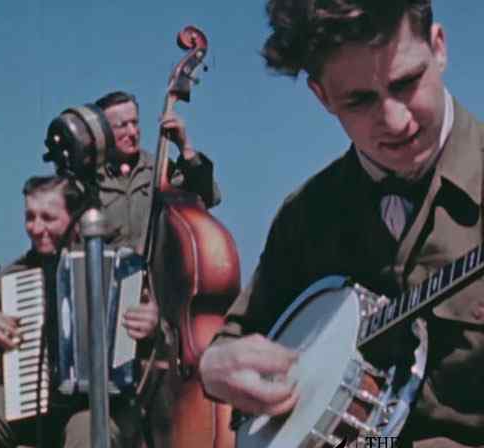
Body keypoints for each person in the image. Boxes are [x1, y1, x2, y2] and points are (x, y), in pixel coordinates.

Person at [199, 1, 484, 447]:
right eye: (360, 100)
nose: (395, 121)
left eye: (406, 83)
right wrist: (214, 368)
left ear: (439, 48)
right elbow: (238, 338)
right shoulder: (305, 217)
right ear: (322, 96)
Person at [0, 175, 160, 448]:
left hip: (96, 404)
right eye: (30, 217)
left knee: (87, 434)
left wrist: (153, 326)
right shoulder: (13, 276)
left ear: (75, 219)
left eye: (48, 217)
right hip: (25, 396)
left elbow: (163, 346)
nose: (36, 227)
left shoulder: (120, 271)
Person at [94, 91, 222, 252]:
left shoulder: (160, 169)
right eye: (122, 125)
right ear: (102, 131)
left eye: (135, 123)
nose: (133, 132)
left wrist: (185, 147)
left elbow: (208, 197)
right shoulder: (89, 178)